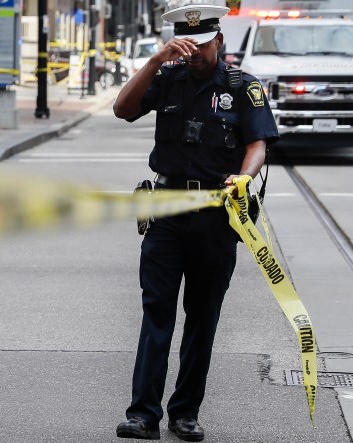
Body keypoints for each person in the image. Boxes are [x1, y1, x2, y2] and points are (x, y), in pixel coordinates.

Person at [112, 4, 280, 441]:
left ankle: (184, 412)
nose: (196, 54)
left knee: (202, 319)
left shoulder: (243, 87)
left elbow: (258, 143)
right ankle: (142, 415)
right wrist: (153, 61)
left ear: (219, 41)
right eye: (189, 47)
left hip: (216, 218)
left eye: (203, 46)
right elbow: (122, 109)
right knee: (156, 314)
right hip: (166, 210)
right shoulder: (167, 77)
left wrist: (244, 176)